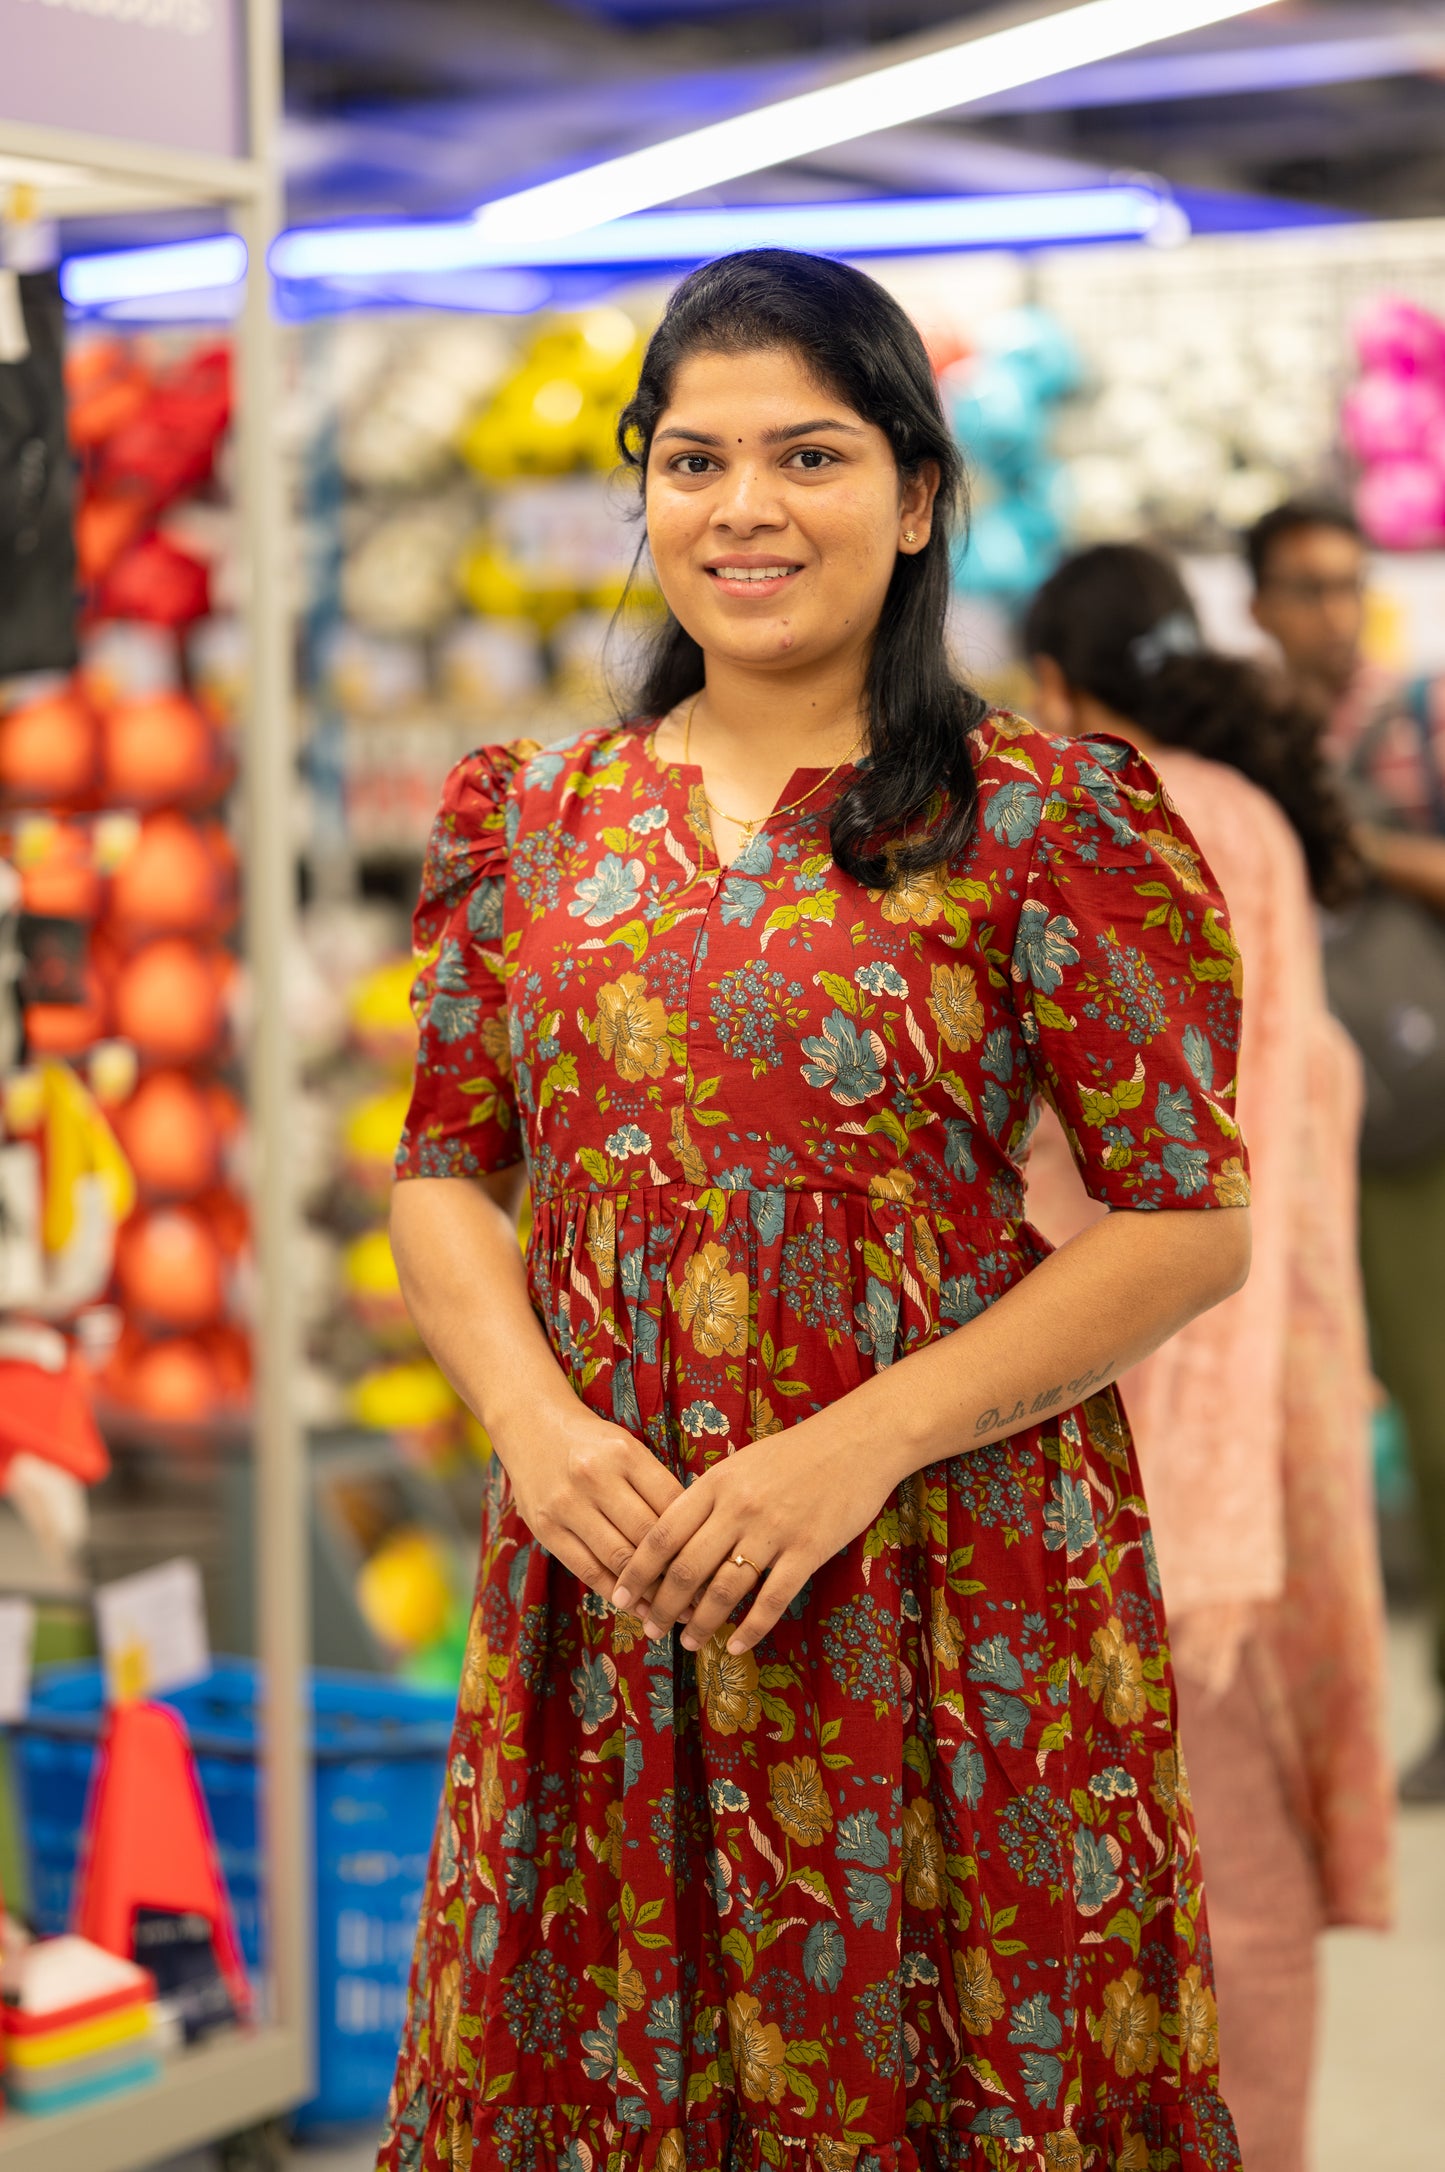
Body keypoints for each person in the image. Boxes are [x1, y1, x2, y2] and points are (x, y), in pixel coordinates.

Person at [376, 250, 1251, 2172]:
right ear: (642, 491)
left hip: (944, 1578)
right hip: (611, 1584)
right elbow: (445, 1166)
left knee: (955, 2070)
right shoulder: (526, 817)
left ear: (918, 493)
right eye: (692, 462)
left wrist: (848, 1450)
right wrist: (532, 1424)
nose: (743, 510)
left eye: (809, 455)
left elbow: (1190, 1218)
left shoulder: (1046, 816)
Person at [1023, 544, 1394, 2172]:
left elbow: (1074, 1154)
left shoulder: (1095, 813)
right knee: (1239, 1864)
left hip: (1138, 1387)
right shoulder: (1245, 814)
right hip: (1276, 1384)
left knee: (1129, 1863)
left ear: (1053, 683)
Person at [1248, 497, 1445, 1804]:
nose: (1328, 612)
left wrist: (1352, 849)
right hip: (1281, 1127)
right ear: (1255, 603)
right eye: (1302, 589)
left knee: (1436, 1418)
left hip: (1410, 1115)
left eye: (1344, 585)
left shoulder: (1415, 716)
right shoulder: (1249, 734)